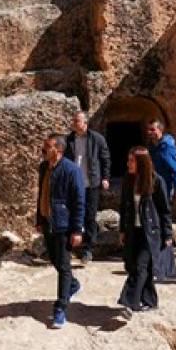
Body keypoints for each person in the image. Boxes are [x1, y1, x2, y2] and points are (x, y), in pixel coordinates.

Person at [35, 134, 86, 329]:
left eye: (47, 147)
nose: (43, 150)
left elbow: (79, 202)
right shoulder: (43, 168)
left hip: (64, 226)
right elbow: (41, 195)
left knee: (64, 267)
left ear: (59, 150)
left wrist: (77, 230)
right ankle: (72, 285)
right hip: (49, 222)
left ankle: (60, 308)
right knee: (55, 261)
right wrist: (39, 219)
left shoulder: (72, 170)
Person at [117, 147, 173, 312]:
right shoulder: (128, 179)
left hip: (151, 233)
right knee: (138, 265)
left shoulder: (156, 181)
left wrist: (168, 234)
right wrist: (122, 230)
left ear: (141, 163)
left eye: (131, 161)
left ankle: (129, 302)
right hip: (133, 231)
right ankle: (150, 300)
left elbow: (165, 210)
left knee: (140, 267)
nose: (128, 164)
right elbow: (124, 206)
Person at [63, 111, 111, 264]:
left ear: (85, 122)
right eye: (74, 121)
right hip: (74, 184)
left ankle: (88, 250)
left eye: (78, 121)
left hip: (91, 184)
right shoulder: (68, 140)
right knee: (73, 215)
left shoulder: (97, 139)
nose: (75, 123)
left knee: (90, 216)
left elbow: (105, 159)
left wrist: (105, 177)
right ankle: (72, 246)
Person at [145, 119, 176, 204]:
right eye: (149, 130)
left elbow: (175, 168)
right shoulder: (151, 147)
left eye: (153, 130)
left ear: (160, 130)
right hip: (154, 185)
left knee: (165, 213)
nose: (150, 132)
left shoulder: (167, 146)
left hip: (166, 185)